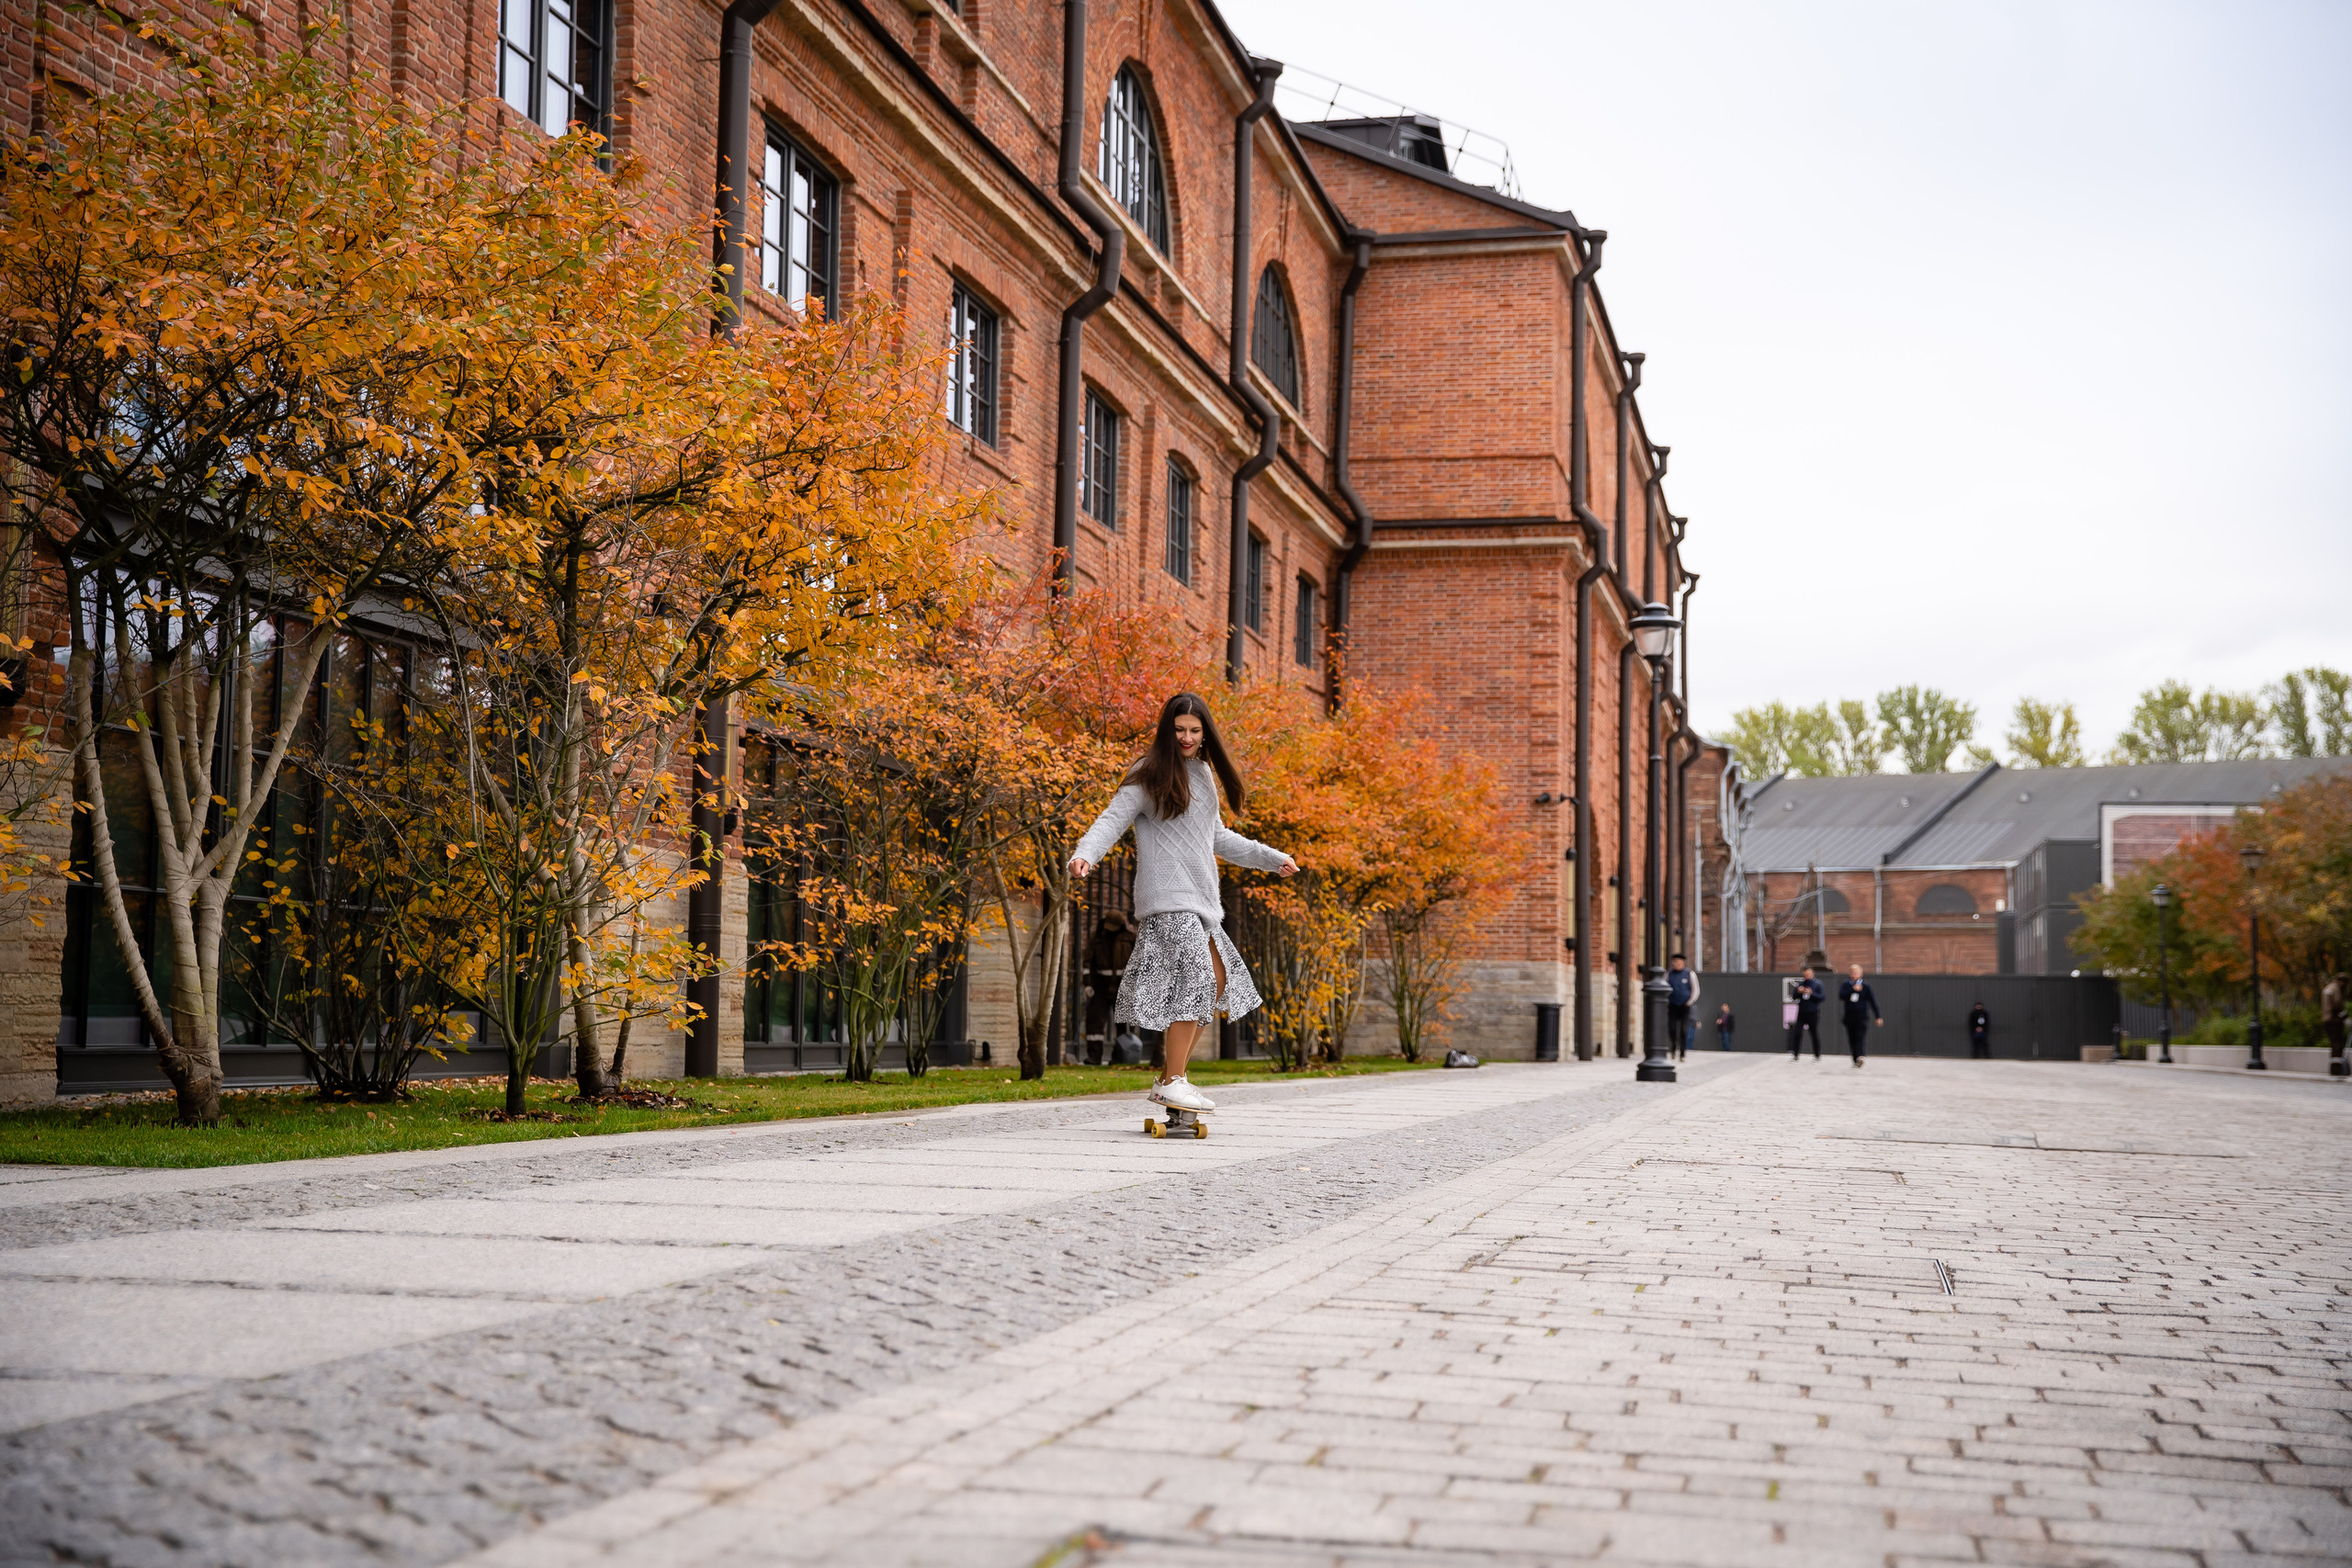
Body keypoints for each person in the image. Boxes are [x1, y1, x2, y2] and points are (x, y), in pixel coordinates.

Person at [1069, 693, 1296, 1115]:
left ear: (1205, 732)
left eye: (1195, 731)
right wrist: (1085, 854)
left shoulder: (1204, 776)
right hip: (1168, 901)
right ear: (1166, 731)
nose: (1187, 738)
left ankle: (1171, 1080)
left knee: (1217, 980)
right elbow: (1111, 819)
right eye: (1179, 731)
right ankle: (1173, 1080)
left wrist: (1271, 858)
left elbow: (1217, 838)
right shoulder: (1148, 773)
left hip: (1202, 901)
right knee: (1196, 984)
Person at [1080, 909, 1136, 1065]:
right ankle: (1094, 1056)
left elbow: (1137, 962)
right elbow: (1087, 963)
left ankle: (1120, 1057)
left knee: (1124, 1023)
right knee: (1095, 1021)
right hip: (1100, 985)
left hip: (1123, 985)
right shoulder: (1097, 938)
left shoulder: (1130, 938)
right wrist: (1088, 984)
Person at [1838, 963, 1883, 1067]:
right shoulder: (1846, 984)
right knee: (1852, 1038)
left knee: (1860, 1036)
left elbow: (1873, 1001)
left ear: (1861, 974)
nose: (1855, 975)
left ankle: (1861, 1055)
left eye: (1857, 973)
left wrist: (1878, 1016)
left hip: (1862, 1016)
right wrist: (1852, 989)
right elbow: (1841, 996)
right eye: (1853, 973)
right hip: (1850, 1017)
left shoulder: (1866, 986)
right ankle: (1855, 1058)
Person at [1665, 953, 1699, 1062]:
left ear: (1683, 963)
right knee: (1672, 1028)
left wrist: (1690, 1002)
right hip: (1673, 1005)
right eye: (1674, 961)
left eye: (1678, 961)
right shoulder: (1669, 974)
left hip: (1685, 1006)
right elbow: (1664, 988)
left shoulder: (1690, 974)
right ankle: (1673, 1048)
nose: (1676, 963)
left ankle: (1683, 1052)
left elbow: (1695, 990)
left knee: (1684, 1030)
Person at [1787, 966, 1825, 1060]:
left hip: (1813, 1012)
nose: (1807, 976)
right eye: (1805, 974)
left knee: (1814, 1033)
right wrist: (1799, 992)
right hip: (1802, 1012)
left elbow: (1821, 997)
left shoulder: (1818, 984)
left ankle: (1817, 1054)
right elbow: (1794, 997)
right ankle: (1795, 1054)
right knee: (1797, 1033)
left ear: (1812, 973)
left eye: (1808, 974)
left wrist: (1812, 993)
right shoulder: (1801, 984)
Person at [2323, 975, 2346, 1074]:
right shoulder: (2335, 989)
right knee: (2337, 1044)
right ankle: (2336, 1069)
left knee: (2333, 1043)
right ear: (2342, 981)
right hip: (2334, 1020)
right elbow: (2337, 1005)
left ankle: (2333, 1068)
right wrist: (2345, 1017)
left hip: (2326, 1019)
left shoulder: (2327, 988)